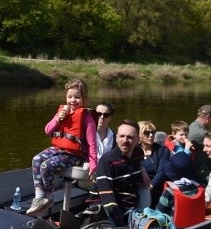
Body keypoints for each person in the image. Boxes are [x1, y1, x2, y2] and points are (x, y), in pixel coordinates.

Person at [28, 78, 98, 215]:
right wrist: (57, 119)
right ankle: (39, 196)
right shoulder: (62, 112)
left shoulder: (87, 118)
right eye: (70, 97)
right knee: (36, 160)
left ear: (84, 99)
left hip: (75, 155)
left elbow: (92, 143)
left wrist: (93, 163)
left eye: (77, 97)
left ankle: (48, 197)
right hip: (58, 149)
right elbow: (48, 131)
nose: (73, 100)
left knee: (46, 166)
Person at [95, 119, 151, 213]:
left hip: (131, 207)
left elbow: (135, 163)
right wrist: (118, 222)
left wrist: (142, 169)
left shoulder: (138, 153)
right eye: (122, 136)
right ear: (116, 138)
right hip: (104, 208)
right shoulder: (107, 161)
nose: (125, 140)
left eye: (130, 137)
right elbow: (107, 197)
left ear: (138, 140)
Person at [155, 151, 202, 217]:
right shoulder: (198, 188)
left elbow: (159, 212)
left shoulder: (169, 192)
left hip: (175, 226)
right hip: (195, 222)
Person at [137, 120, 170, 205]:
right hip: (137, 185)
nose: (151, 135)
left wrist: (152, 185)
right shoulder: (134, 150)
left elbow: (162, 171)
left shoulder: (162, 150)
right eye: (147, 133)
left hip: (155, 187)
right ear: (139, 135)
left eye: (153, 132)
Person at [189, 105, 211, 183]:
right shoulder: (202, 134)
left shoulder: (193, 125)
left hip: (199, 162)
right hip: (200, 168)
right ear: (208, 117)